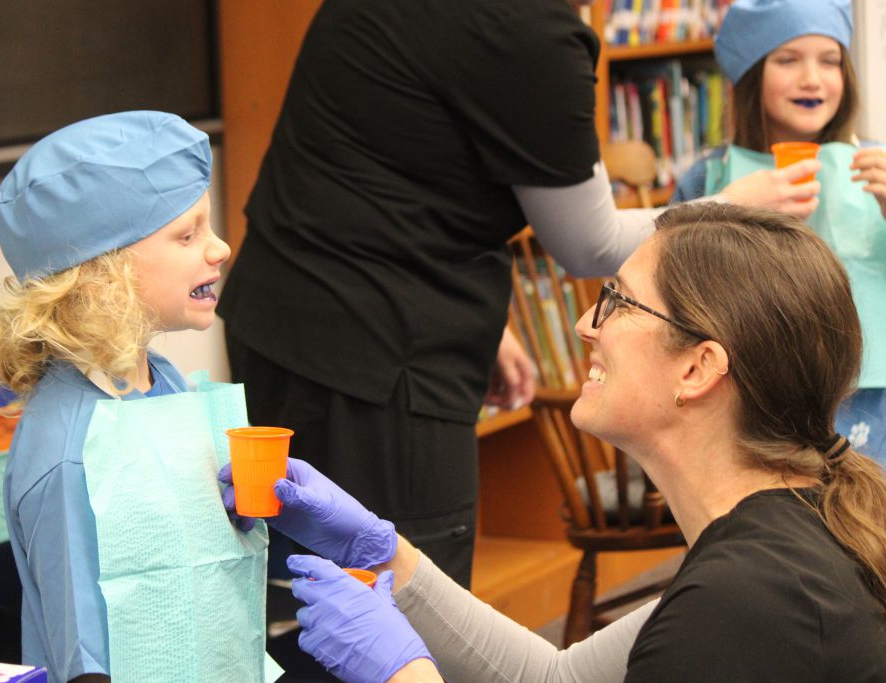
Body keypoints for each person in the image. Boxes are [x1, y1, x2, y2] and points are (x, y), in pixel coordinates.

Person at [216, 0, 820, 591]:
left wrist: (478, 321)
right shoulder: (529, 35)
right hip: (369, 363)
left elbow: (392, 163)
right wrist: (729, 207)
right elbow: (590, 242)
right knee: (388, 600)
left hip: (283, 316)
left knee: (298, 578)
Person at [222, 202, 886, 682]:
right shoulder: (792, 531)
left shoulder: (740, 605)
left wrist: (406, 675)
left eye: (618, 302)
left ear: (699, 367)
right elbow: (556, 678)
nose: (584, 322)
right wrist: (388, 554)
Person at [0, 112, 244, 682]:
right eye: (187, 234)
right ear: (103, 275)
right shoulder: (71, 452)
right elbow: (87, 658)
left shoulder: (163, 380)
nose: (220, 247)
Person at [670, 0, 886, 464]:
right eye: (788, 60)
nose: (812, 77)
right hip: (751, 398)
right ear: (751, 74)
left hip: (870, 399)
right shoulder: (710, 178)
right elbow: (671, 281)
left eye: (829, 61)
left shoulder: (876, 163)